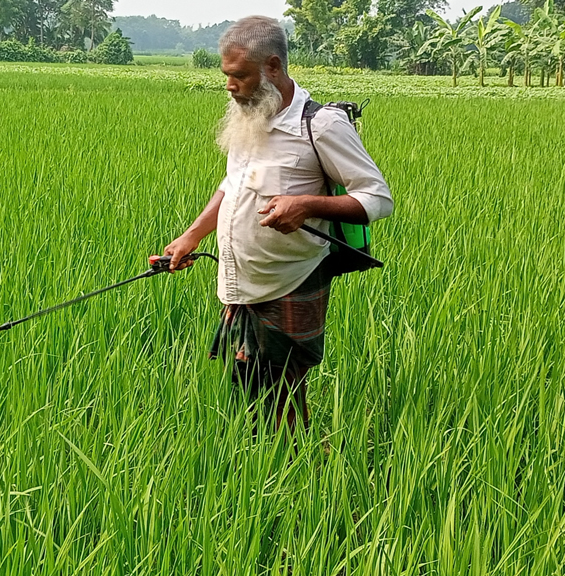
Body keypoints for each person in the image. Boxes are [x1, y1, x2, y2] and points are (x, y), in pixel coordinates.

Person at [163, 16, 393, 431]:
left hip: (290, 280)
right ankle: (256, 463)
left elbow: (377, 198)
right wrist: (190, 236)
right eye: (226, 76)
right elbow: (232, 185)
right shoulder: (250, 115)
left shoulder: (320, 126)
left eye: (239, 76)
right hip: (241, 283)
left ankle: (298, 473)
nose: (229, 86)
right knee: (248, 386)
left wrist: (304, 205)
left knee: (283, 391)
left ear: (272, 67)